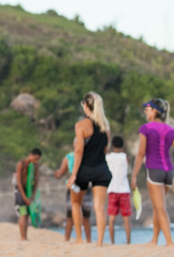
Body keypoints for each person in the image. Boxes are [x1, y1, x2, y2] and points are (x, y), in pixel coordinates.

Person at [130, 98, 174, 246]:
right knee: (158, 206)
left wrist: (134, 174)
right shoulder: (170, 130)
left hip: (155, 171)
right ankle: (154, 240)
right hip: (168, 172)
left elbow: (141, 153)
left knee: (160, 207)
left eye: (147, 109)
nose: (145, 111)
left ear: (155, 111)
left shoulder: (146, 128)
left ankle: (169, 242)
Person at [66, 92, 113, 246]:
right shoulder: (106, 127)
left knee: (76, 203)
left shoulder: (81, 126)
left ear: (86, 106)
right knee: (99, 207)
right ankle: (99, 243)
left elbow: (78, 151)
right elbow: (105, 149)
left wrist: (73, 175)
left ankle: (80, 239)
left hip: (84, 170)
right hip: (101, 169)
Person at [54, 146, 92, 242]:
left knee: (71, 216)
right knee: (84, 216)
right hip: (84, 186)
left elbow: (60, 173)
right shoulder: (88, 156)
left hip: (74, 186)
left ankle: (69, 239)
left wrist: (57, 174)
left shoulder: (69, 157)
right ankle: (88, 240)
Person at [106, 135, 132, 244]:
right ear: (122, 146)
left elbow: (106, 152)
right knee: (126, 219)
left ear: (112, 146)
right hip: (124, 189)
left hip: (112, 189)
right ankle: (128, 242)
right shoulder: (125, 157)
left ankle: (112, 242)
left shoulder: (108, 157)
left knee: (111, 219)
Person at [14, 148, 41, 240]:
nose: (35, 161)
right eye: (35, 158)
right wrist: (24, 197)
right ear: (31, 155)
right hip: (20, 190)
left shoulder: (36, 166)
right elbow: (18, 182)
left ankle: (25, 237)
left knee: (28, 215)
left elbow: (36, 181)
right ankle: (22, 237)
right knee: (23, 213)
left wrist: (33, 196)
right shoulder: (21, 164)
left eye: (37, 159)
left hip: (29, 191)